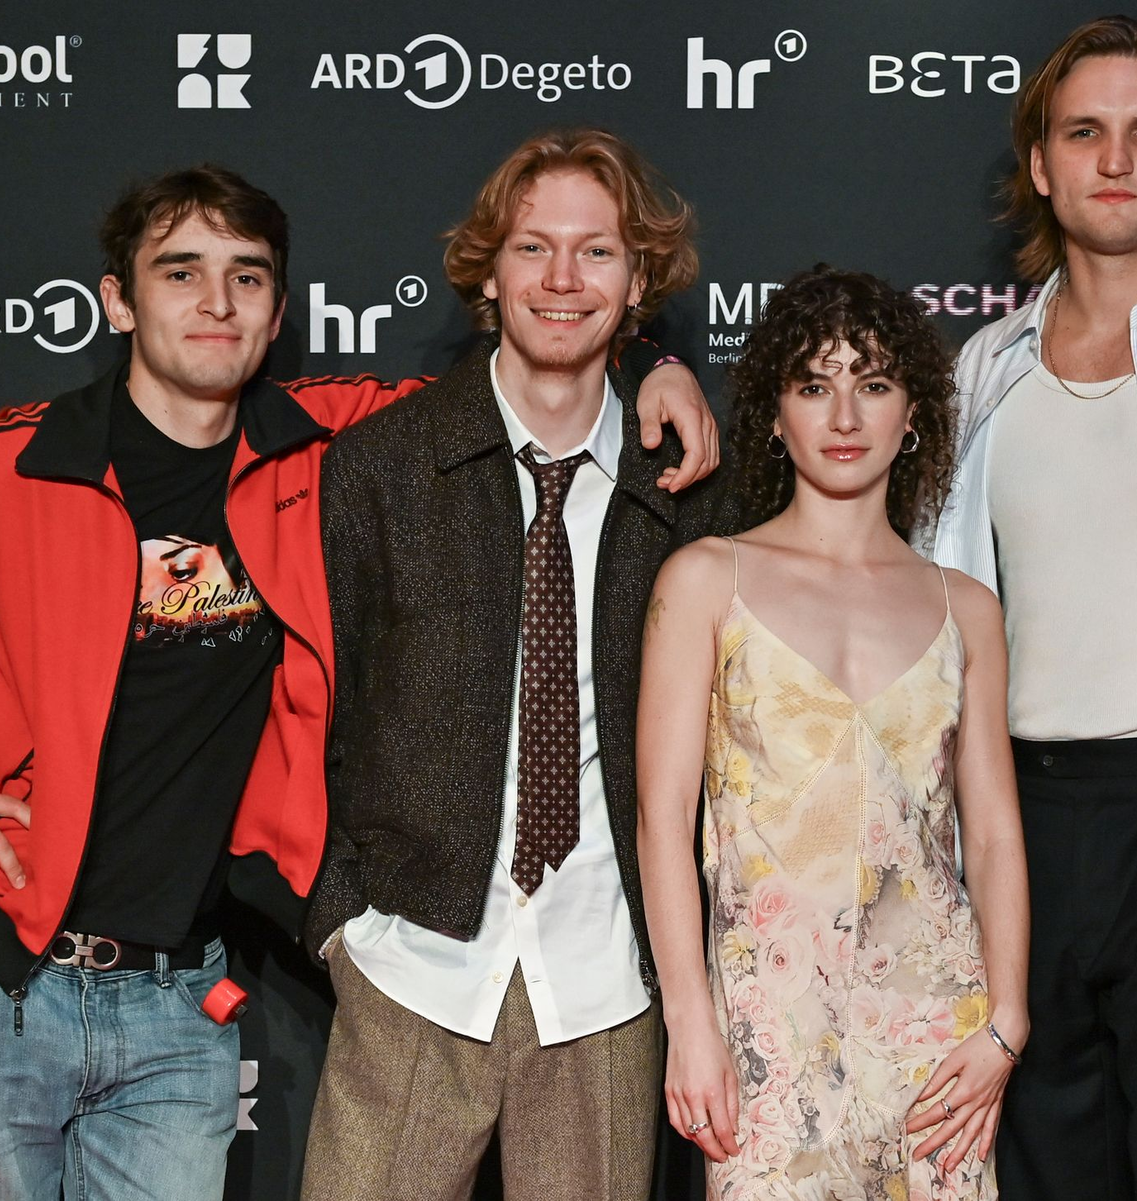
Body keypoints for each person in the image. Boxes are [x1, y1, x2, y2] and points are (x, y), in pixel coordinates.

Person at [0, 163, 715, 1201]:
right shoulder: (22, 467)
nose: (215, 303)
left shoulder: (321, 450)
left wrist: (653, 362)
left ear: (279, 310)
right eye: (180, 273)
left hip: (180, 1003)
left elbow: (541, 377)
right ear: (117, 300)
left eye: (245, 278)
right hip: (23, 979)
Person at [300, 127, 728, 1201]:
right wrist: (344, 920)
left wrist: (672, 374)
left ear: (639, 283)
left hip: (605, 985)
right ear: (489, 270)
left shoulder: (682, 486)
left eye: (597, 252)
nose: (562, 279)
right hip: (410, 962)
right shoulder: (384, 467)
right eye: (534, 248)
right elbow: (314, 702)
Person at [638, 267, 1029, 1200]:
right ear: (774, 413)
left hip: (939, 1034)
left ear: (914, 414)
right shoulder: (705, 578)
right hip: (767, 1025)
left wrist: (1006, 1023)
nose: (844, 414)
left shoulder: (965, 606)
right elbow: (662, 819)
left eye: (875, 383)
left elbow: (997, 833)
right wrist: (691, 1020)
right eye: (815, 385)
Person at [919, 16, 1137, 1199]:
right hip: (1018, 818)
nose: (1117, 159)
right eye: (1085, 132)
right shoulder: (985, 368)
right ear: (1041, 162)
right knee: (1039, 1170)